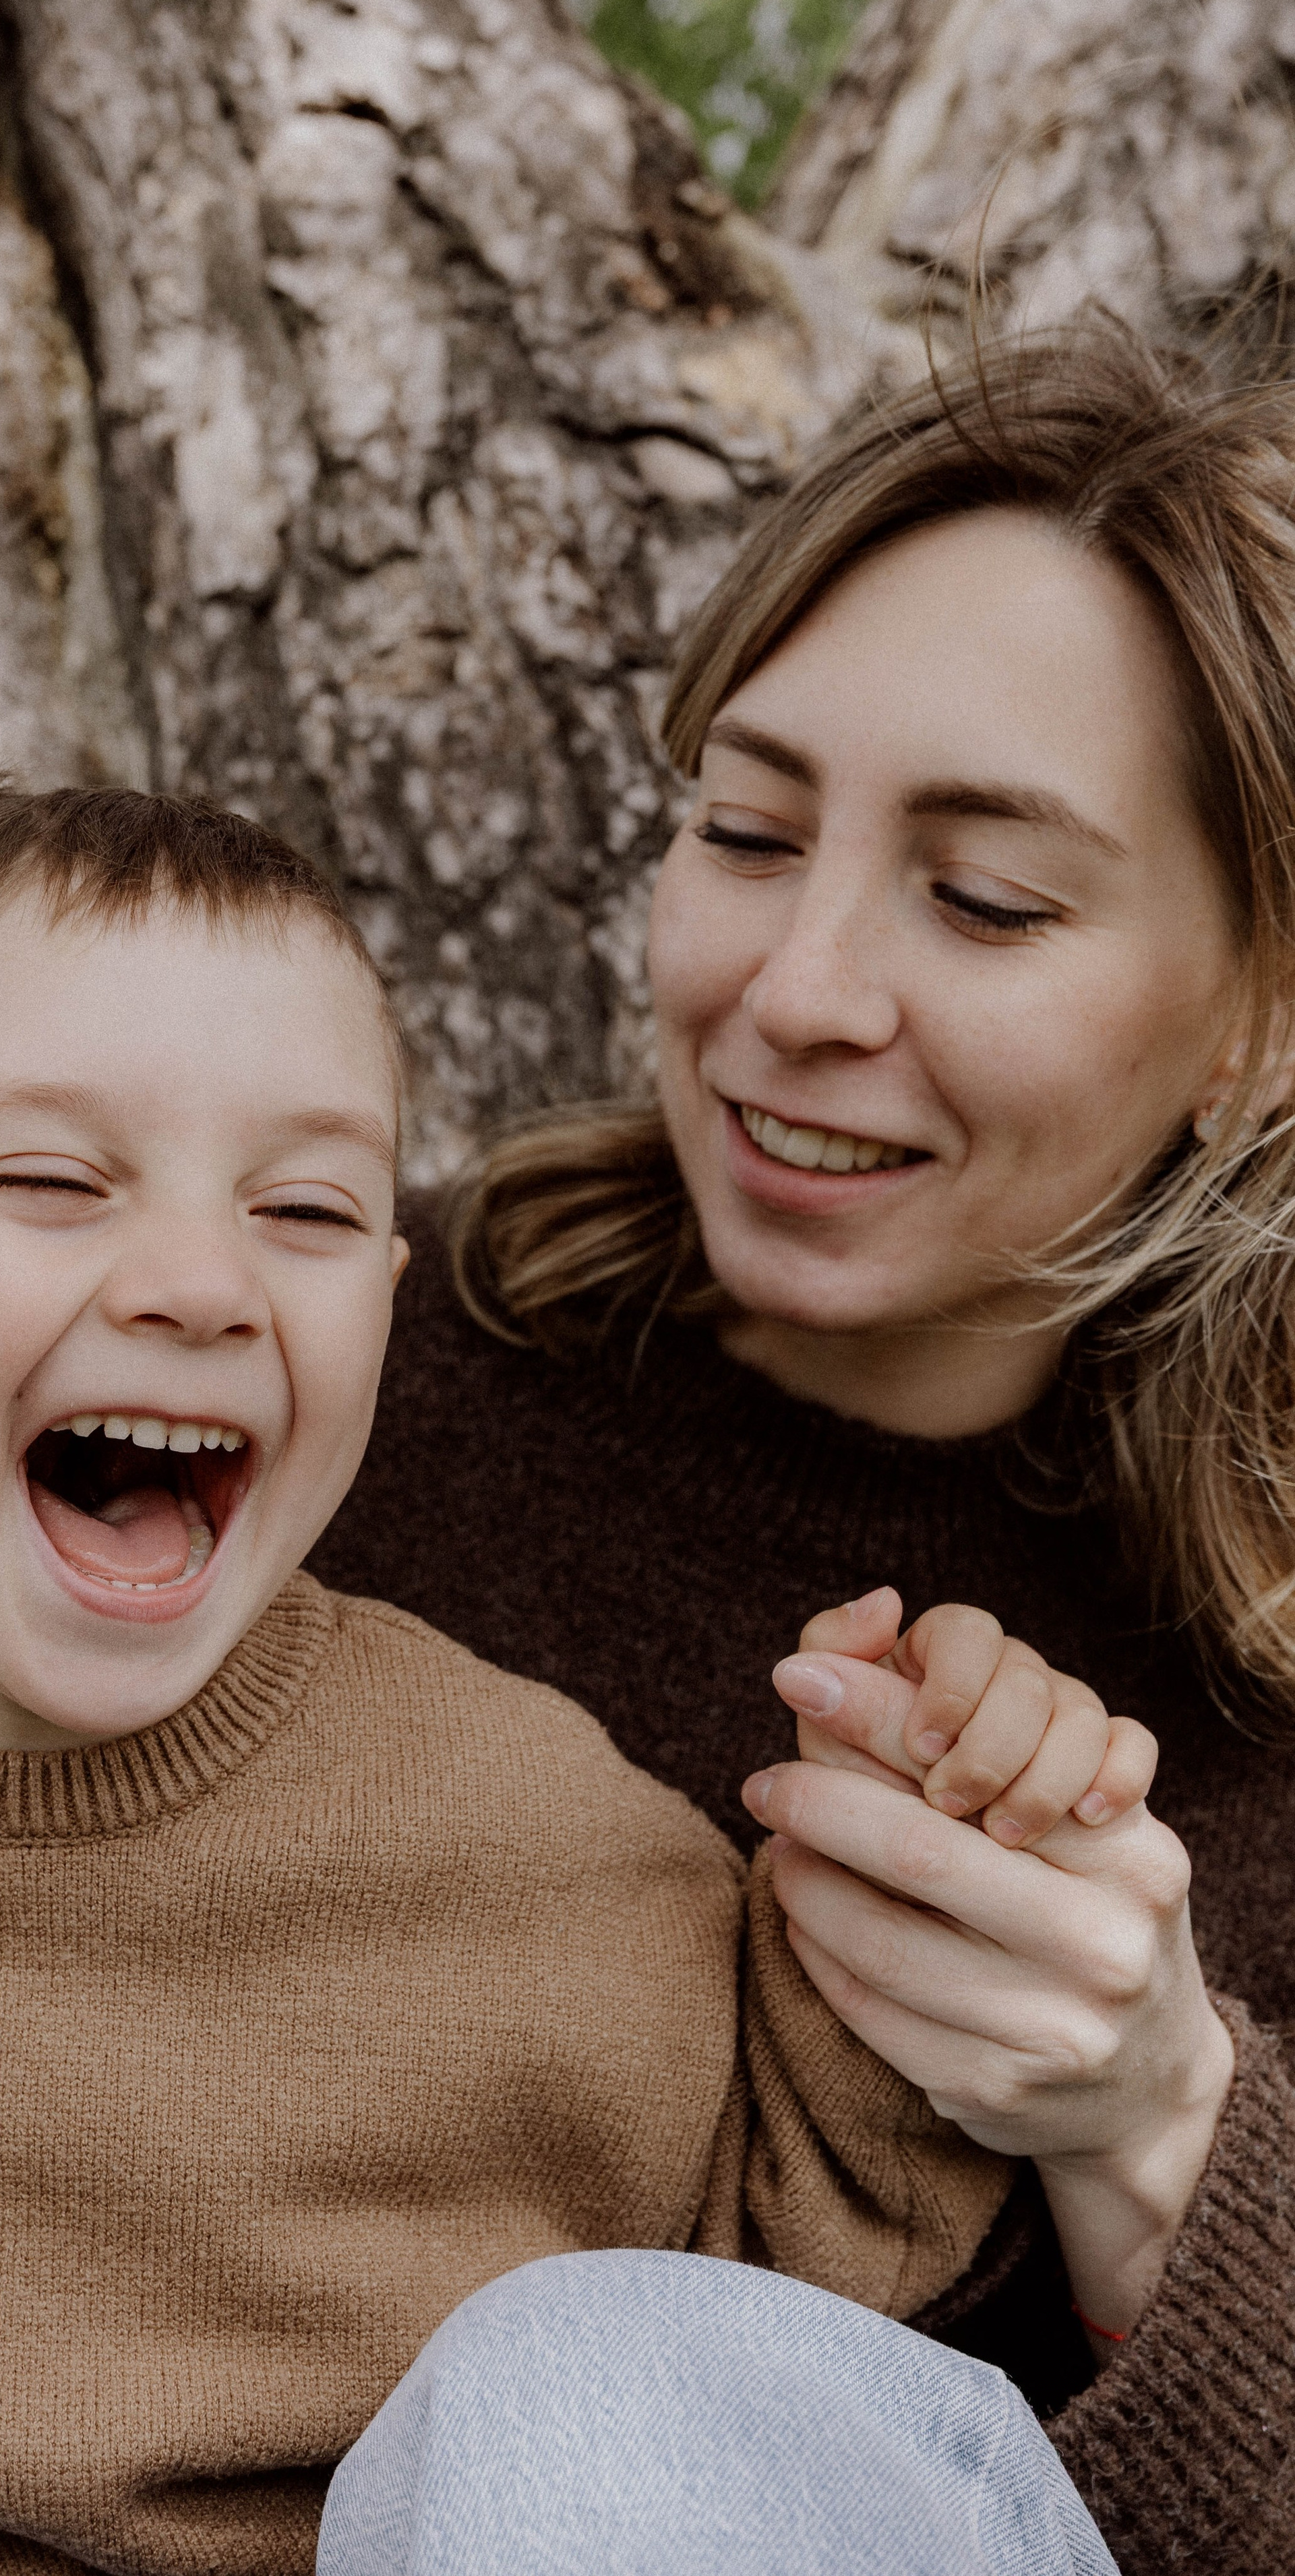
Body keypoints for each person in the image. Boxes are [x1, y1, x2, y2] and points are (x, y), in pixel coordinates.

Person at [0, 778, 1122, 2570]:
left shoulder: (521, 1834)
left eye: (303, 1213)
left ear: (386, 1302)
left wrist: (927, 1856)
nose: (202, 1283)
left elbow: (804, 2318)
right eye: (54, 1181)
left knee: (587, 2385)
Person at [311, 321, 1295, 2575]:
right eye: (744, 833)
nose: (798, 989)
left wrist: (1151, 2119)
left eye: (986, 898)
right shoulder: (315, 1379)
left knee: (599, 2393)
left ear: (1257, 1014)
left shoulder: (1260, 1659)